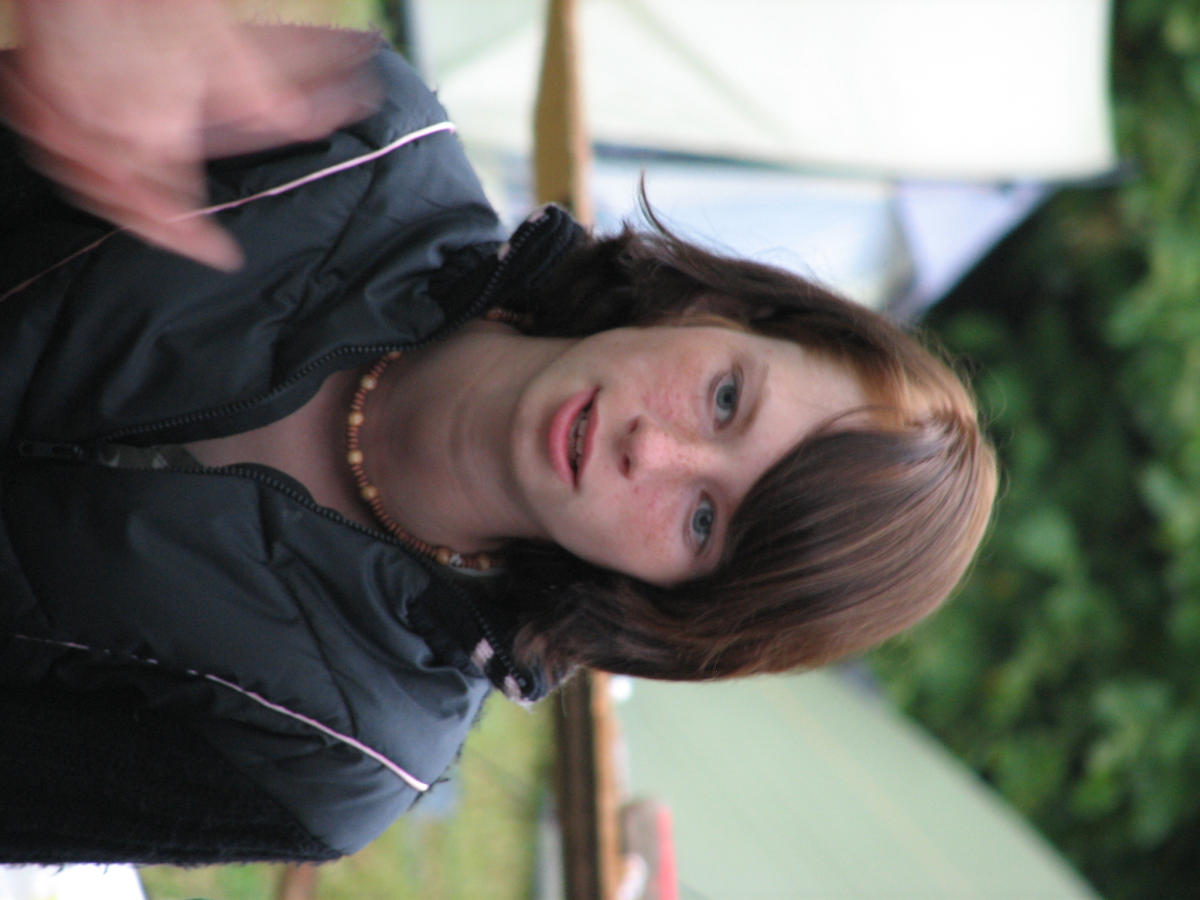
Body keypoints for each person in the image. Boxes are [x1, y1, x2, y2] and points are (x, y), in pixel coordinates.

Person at [0, 7, 997, 866]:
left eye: (703, 520)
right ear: (722, 310)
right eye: (726, 399)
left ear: (674, 607)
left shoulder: (340, 761)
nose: (652, 451)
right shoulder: (360, 138)